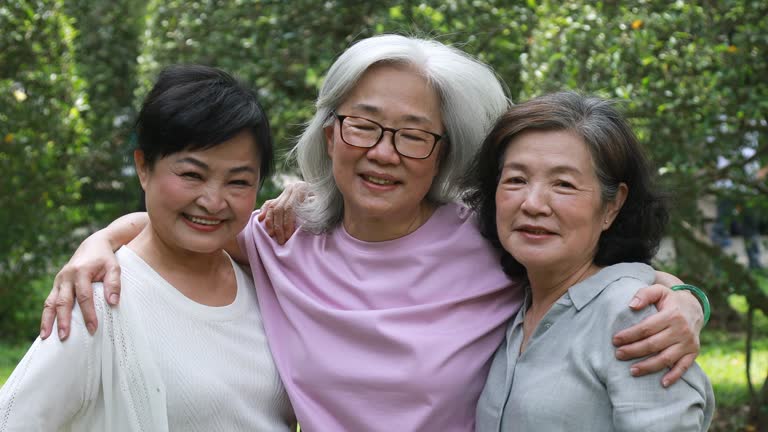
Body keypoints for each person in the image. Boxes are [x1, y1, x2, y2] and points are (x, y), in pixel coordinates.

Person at [40, 35, 706, 431]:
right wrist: (98, 243)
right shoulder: (282, 237)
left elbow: (593, 268)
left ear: (447, 151)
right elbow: (188, 218)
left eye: (414, 135)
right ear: (332, 133)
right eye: (364, 124)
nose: (383, 152)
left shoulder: (489, 235)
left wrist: (684, 301)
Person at [0, 65, 295, 431]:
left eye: (238, 181)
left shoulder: (264, 281)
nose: (213, 201)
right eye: (191, 175)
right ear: (144, 167)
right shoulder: (98, 303)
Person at [467, 92, 714, 431]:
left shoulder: (633, 317)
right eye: (516, 180)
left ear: (612, 206)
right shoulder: (510, 305)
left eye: (564, 184)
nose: (533, 203)